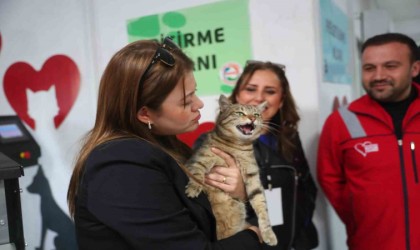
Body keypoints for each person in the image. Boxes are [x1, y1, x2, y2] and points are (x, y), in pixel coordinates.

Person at [66, 37, 263, 249]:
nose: (199, 104)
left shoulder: (168, 148)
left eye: (195, 92)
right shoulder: (121, 165)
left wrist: (238, 194)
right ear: (145, 113)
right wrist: (252, 237)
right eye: (186, 100)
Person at [195, 61, 319, 250]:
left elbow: (306, 188)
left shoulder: (289, 138)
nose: (259, 98)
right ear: (237, 95)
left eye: (270, 91)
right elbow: (212, 206)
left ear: (282, 100)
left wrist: (299, 230)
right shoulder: (213, 144)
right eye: (250, 89)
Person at [317, 33, 420, 250]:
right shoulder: (341, 121)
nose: (378, 76)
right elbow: (330, 178)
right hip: (371, 243)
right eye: (369, 68)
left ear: (415, 69)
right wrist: (359, 215)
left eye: (391, 66)